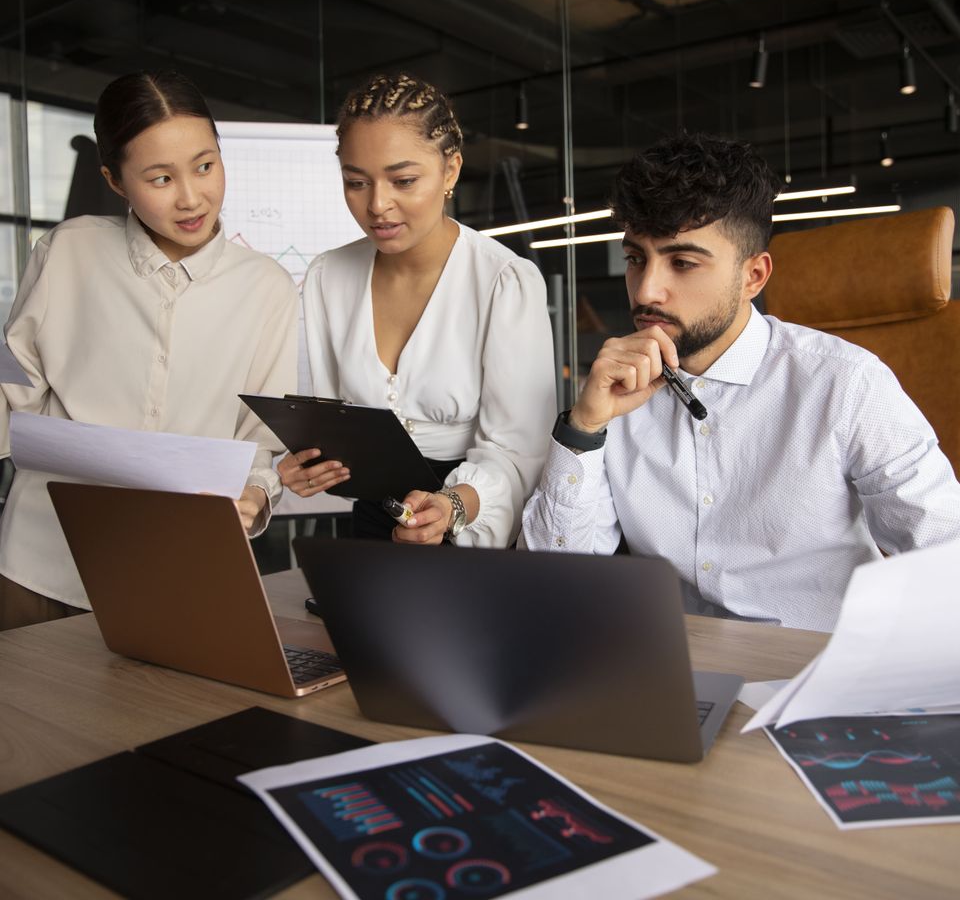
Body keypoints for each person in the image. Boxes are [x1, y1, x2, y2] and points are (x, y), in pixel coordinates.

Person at [521, 132, 960, 632]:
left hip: (817, 665)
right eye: (636, 258)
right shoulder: (614, 392)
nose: (646, 291)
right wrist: (584, 426)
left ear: (754, 276)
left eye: (683, 263)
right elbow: (553, 582)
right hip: (678, 669)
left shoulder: (845, 384)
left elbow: (945, 558)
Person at [0, 71, 298, 629]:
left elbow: (260, 446)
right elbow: (13, 386)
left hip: (178, 573)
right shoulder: (68, 251)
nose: (192, 197)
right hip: (40, 562)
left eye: (206, 166)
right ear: (115, 181)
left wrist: (255, 495)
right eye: (160, 178)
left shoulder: (268, 287)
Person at [279, 73, 556, 545]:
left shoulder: (502, 281)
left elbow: (520, 452)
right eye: (356, 182)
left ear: (450, 171)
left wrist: (452, 507)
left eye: (403, 180)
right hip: (369, 529)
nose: (378, 205)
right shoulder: (328, 275)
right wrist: (305, 465)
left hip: (465, 526)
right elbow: (328, 421)